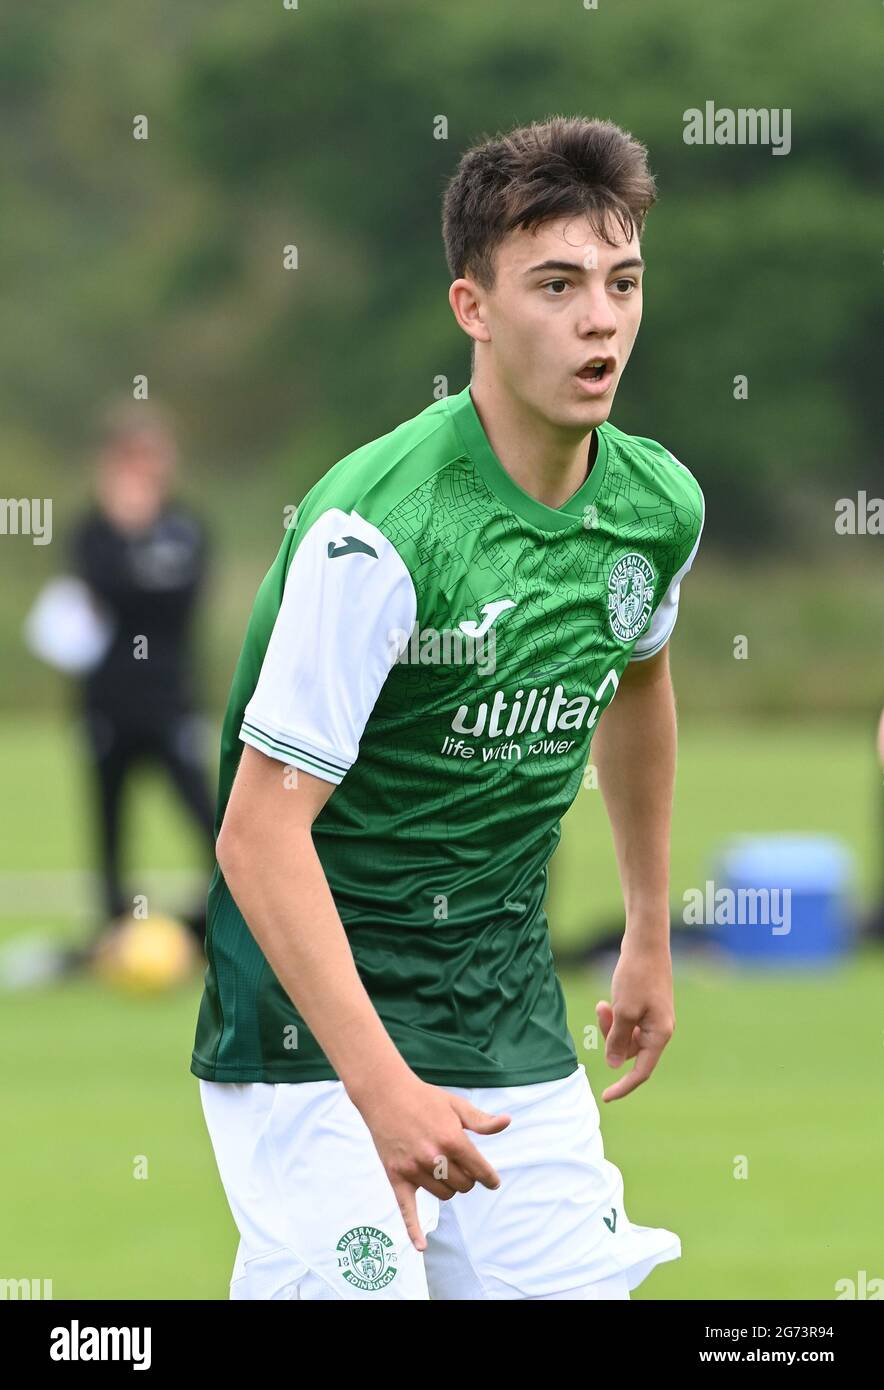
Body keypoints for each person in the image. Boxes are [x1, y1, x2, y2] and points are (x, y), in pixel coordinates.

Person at [193, 115, 705, 1301]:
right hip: (309, 1032)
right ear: (471, 308)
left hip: (497, 1000)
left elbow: (640, 681)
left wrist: (646, 927)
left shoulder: (654, 507)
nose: (601, 319)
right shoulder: (380, 531)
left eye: (622, 283)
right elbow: (256, 835)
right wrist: (379, 1089)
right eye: (557, 285)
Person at [68, 404, 215, 951]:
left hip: (170, 700)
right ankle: (112, 929)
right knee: (108, 821)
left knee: (208, 816)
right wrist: (128, 543)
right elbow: (101, 590)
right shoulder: (94, 530)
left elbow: (178, 602)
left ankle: (212, 917)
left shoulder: (186, 527)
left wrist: (137, 559)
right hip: (107, 701)